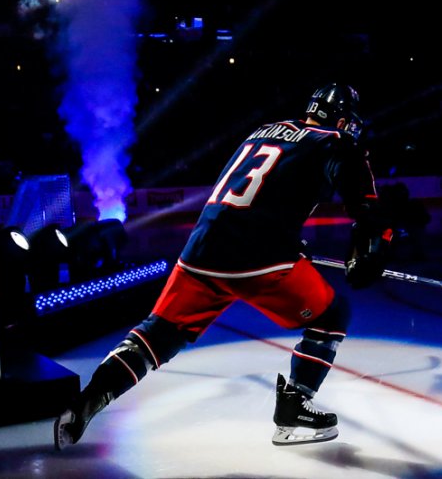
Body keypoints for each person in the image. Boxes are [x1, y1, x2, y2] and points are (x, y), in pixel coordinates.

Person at [53, 83, 393, 450]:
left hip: (201, 249)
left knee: (156, 336)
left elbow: (257, 194)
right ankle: (294, 409)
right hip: (257, 258)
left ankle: (88, 401)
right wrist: (370, 251)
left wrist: (288, 238)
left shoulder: (263, 132)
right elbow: (369, 212)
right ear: (342, 118)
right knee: (332, 315)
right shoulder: (337, 143)